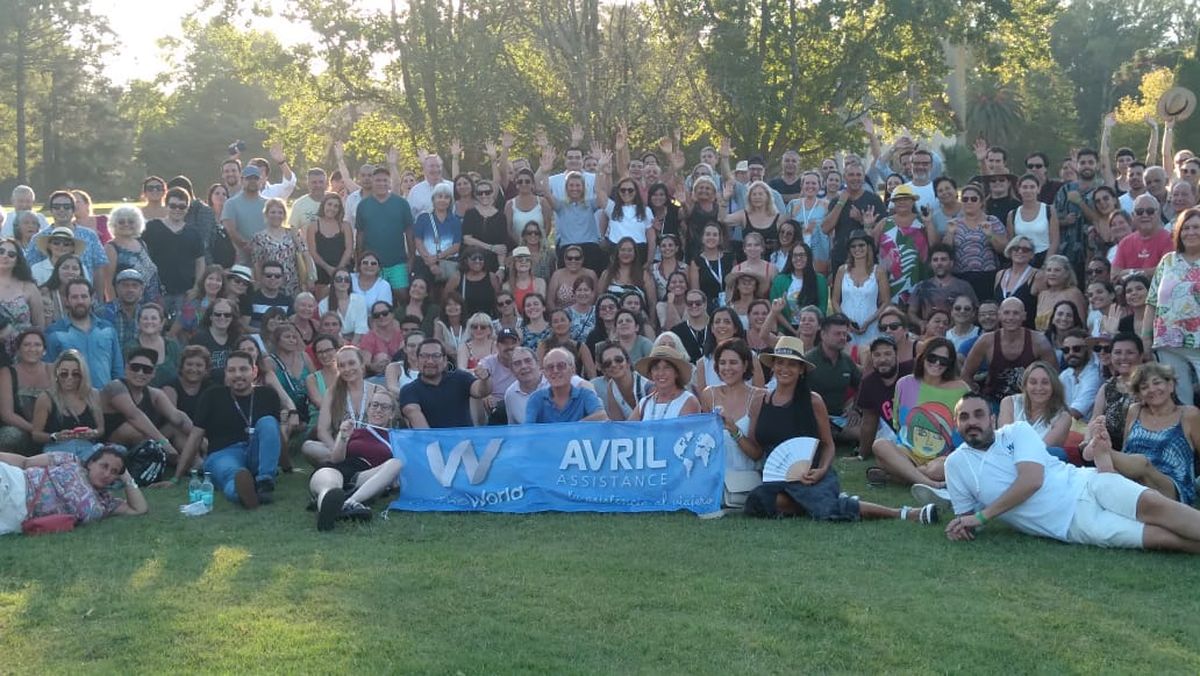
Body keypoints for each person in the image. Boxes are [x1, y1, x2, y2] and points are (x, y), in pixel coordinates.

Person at [944, 393, 1200, 552]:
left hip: (1088, 484)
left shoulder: (1016, 431)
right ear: (957, 424)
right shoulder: (955, 465)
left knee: (1157, 508)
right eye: (964, 417)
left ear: (992, 418)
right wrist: (962, 527)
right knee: (1164, 539)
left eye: (978, 414)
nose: (972, 422)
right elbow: (967, 521)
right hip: (1072, 524)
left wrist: (983, 516)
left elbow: (1031, 480)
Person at [744, 336, 939, 524]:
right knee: (758, 502)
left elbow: (828, 445)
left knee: (827, 509)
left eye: (791, 364)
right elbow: (756, 450)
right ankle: (819, 502)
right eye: (780, 363)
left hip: (810, 474)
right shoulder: (760, 401)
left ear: (801, 369)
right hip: (776, 479)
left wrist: (821, 470)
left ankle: (902, 513)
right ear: (773, 366)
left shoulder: (813, 401)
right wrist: (733, 431)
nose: (784, 369)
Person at [176, 350, 281, 508]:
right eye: (232, 370)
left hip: (255, 452)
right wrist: (176, 476)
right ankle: (242, 493)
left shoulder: (268, 395)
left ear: (254, 371)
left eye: (243, 369)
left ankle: (265, 482)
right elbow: (195, 437)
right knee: (232, 473)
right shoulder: (212, 395)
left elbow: (274, 434)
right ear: (225, 373)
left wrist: (287, 466)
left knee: (268, 422)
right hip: (223, 453)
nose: (237, 375)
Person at [870, 337, 969, 488]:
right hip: (907, 452)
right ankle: (928, 482)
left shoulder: (961, 389)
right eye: (932, 357)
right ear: (923, 357)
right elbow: (898, 424)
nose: (937, 363)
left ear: (950, 364)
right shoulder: (904, 383)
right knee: (879, 445)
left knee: (938, 470)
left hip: (943, 456)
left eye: (944, 361)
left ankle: (900, 475)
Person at [309, 388, 403, 531]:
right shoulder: (354, 431)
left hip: (366, 475)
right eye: (374, 405)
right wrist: (343, 436)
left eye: (384, 407)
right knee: (330, 486)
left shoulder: (397, 439)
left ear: (391, 414)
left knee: (396, 464)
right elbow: (336, 459)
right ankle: (328, 510)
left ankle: (349, 503)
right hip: (338, 469)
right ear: (369, 408)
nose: (378, 410)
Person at [0, 446, 148, 535]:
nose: (107, 474)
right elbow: (26, 462)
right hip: (16, 483)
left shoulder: (105, 502)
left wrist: (126, 476)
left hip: (18, 515)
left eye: (114, 471)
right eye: (104, 466)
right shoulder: (71, 460)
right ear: (91, 463)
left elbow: (138, 509)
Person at [699, 338, 766, 508]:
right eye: (722, 363)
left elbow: (757, 453)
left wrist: (734, 430)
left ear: (745, 366)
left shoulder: (759, 397)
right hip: (713, 480)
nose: (727, 368)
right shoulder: (708, 395)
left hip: (746, 480)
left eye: (733, 362)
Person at [1143, 207, 1200, 406]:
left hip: (1199, 343)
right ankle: (1187, 437)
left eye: (1196, 227)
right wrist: (1146, 338)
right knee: (1180, 401)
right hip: (1168, 343)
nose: (1191, 232)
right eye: (1186, 228)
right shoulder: (1168, 261)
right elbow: (1151, 303)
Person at [962, 297, 1059, 406]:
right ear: (999, 315)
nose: (1011, 317)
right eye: (1006, 313)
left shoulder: (1039, 341)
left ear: (1024, 316)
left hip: (1030, 402)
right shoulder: (986, 341)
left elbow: (1054, 377)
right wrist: (975, 399)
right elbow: (966, 374)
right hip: (994, 401)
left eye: (1016, 313)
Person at [99, 347, 191, 461]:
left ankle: (198, 463)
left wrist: (202, 440)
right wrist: (164, 443)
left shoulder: (155, 394)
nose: (140, 373)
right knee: (132, 429)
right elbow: (133, 415)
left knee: (175, 425)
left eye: (147, 369)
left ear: (153, 373)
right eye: (135, 367)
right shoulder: (115, 387)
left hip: (146, 442)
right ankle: (176, 461)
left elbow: (177, 417)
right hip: (111, 445)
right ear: (126, 368)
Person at [302, 345, 387, 466]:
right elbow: (322, 430)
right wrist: (336, 449)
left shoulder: (378, 390)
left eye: (351, 363)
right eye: (342, 365)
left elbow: (386, 427)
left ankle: (341, 465)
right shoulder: (332, 393)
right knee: (308, 447)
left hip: (370, 446)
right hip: (342, 445)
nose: (347, 369)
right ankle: (344, 461)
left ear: (361, 364)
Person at [400, 338, 492, 428]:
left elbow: (481, 391)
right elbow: (421, 429)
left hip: (465, 441)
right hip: (431, 442)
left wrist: (485, 379)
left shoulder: (461, 378)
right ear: (417, 361)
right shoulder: (409, 391)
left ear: (444, 361)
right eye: (424, 356)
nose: (430, 361)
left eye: (436, 356)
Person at [142, 187, 205, 317]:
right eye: (173, 205)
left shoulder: (194, 233)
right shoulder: (152, 227)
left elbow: (200, 262)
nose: (177, 209)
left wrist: (197, 288)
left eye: (182, 207)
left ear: (187, 208)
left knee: (185, 331)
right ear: (166, 206)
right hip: (157, 291)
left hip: (185, 293)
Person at [45, 279, 123, 385]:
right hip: (69, 399)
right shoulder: (54, 332)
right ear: (66, 301)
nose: (80, 301)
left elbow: (117, 369)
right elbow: (49, 372)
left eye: (84, 296)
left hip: (104, 397)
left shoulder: (107, 328)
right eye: (74, 297)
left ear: (92, 299)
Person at [24, 191, 109, 287]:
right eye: (56, 207)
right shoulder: (38, 238)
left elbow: (99, 269)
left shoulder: (90, 236)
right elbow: (29, 270)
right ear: (51, 210)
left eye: (66, 206)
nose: (61, 210)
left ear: (73, 210)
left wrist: (99, 298)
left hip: (83, 296)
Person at [356, 167, 415, 304]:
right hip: (373, 264)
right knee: (375, 299)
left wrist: (411, 258)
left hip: (398, 262)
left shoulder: (401, 204)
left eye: (384, 180)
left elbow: (409, 232)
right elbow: (360, 235)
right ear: (372, 181)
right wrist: (358, 259)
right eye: (377, 180)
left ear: (389, 182)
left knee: (402, 295)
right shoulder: (363, 205)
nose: (381, 183)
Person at [30, 350, 104, 458]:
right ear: (56, 373)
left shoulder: (93, 394)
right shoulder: (46, 398)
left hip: (87, 449)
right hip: (57, 450)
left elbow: (101, 429)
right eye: (64, 374)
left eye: (75, 374)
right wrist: (55, 436)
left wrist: (92, 433)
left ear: (82, 375)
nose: (70, 378)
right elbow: (36, 434)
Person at [803, 314, 862, 442]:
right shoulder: (808, 360)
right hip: (812, 417)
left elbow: (863, 386)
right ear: (823, 335)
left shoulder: (847, 361)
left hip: (839, 418)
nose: (842, 338)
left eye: (844, 334)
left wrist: (856, 409)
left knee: (864, 433)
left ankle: (832, 436)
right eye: (837, 334)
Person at [854, 335, 911, 461]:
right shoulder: (868, 383)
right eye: (877, 355)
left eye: (887, 354)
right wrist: (862, 455)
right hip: (901, 441)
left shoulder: (912, 370)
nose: (882, 359)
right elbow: (869, 422)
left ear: (896, 355)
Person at [821, 163, 886, 272]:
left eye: (858, 175)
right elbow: (825, 229)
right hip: (841, 258)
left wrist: (862, 220)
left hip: (866, 259)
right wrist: (841, 203)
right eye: (851, 175)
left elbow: (884, 230)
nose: (855, 178)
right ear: (845, 177)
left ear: (863, 177)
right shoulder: (837, 201)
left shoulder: (874, 199)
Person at [830, 229, 889, 347]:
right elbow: (835, 300)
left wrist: (869, 321)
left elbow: (886, 301)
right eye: (853, 246)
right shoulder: (842, 270)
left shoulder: (879, 271)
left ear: (868, 247)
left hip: (871, 326)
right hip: (845, 328)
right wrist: (845, 321)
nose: (857, 249)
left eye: (861, 245)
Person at [998, 361, 1073, 452]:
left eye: (1045, 383)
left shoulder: (1063, 417)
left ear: (1054, 386)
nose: (1039, 388)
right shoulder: (1009, 403)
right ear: (1025, 386)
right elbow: (1006, 440)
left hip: (1041, 463)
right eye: (1033, 382)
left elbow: (1041, 450)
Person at [0, 330, 52, 454]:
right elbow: (7, 414)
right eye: (27, 344)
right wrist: (35, 429)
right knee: (10, 436)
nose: (32, 348)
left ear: (44, 350)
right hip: (20, 430)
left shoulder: (53, 369)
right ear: (18, 350)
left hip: (50, 429)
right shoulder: (6, 372)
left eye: (37, 345)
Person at [523, 348, 606, 424]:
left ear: (573, 369)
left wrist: (575, 427)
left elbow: (602, 416)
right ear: (545, 373)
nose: (555, 371)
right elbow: (528, 429)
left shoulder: (585, 395)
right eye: (550, 367)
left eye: (561, 366)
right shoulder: (536, 398)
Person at [909, 243, 976, 332]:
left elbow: (975, 313)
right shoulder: (921, 286)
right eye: (935, 260)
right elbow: (911, 312)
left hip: (957, 334)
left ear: (951, 263)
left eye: (943, 259)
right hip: (929, 334)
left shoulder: (964, 286)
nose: (939, 263)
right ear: (931, 264)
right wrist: (920, 323)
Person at [628, 345, 702, 420]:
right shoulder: (644, 403)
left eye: (667, 368)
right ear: (651, 374)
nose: (661, 373)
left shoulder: (688, 401)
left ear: (676, 373)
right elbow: (626, 429)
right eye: (656, 368)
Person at [0, 236, 44, 356]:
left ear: (17, 260)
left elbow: (39, 327)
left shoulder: (29, 287)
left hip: (23, 354)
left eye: (11, 254)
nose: (5, 256)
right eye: (1, 251)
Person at [1112, 195, 1173, 279]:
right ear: (1133, 215)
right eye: (1139, 211)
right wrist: (1148, 272)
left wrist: (1130, 272)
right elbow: (1114, 275)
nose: (1144, 215)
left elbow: (1167, 271)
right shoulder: (1125, 243)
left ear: (1158, 213)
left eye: (1150, 211)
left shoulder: (1170, 239)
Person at [306, 192, 354, 299]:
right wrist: (328, 268)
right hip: (321, 270)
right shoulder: (313, 226)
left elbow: (349, 249)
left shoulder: (345, 226)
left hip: (342, 268)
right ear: (323, 205)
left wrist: (338, 270)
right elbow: (312, 252)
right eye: (330, 204)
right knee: (322, 301)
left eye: (336, 206)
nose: (332, 208)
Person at [221, 166, 269, 264]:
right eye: (249, 178)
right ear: (242, 180)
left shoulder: (268, 204)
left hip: (266, 255)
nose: (252, 181)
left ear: (261, 181)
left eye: (255, 178)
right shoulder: (231, 203)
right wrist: (246, 246)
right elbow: (230, 230)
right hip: (240, 256)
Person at [127, 303, 181, 387]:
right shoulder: (130, 347)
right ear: (138, 323)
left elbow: (180, 374)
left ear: (161, 323)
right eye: (145, 318)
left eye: (154, 318)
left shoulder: (172, 346)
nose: (149, 321)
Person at [1058, 329, 1102, 422]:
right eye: (1066, 350)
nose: (1071, 353)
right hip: (1067, 425)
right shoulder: (1065, 374)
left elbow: (1077, 412)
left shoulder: (1095, 374)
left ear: (1088, 350)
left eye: (1076, 349)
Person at [188, 297, 241, 372]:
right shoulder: (198, 339)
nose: (222, 317)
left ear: (232, 318)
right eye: (217, 314)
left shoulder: (237, 338)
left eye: (227, 315)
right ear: (211, 316)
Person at [162, 345, 211, 424]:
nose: (194, 369)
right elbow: (173, 421)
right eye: (189, 364)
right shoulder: (170, 388)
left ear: (206, 369)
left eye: (199, 365)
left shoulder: (211, 388)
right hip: (173, 432)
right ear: (181, 367)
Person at [318, 270, 368, 343]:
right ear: (333, 282)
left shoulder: (360, 300)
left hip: (359, 341)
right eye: (339, 279)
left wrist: (352, 346)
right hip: (334, 341)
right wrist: (342, 343)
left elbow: (361, 327)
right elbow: (328, 329)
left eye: (347, 280)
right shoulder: (323, 304)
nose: (343, 282)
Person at [247, 260, 295, 330]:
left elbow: (291, 326)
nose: (273, 278)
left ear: (282, 279)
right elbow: (244, 327)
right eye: (268, 275)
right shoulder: (250, 299)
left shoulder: (288, 301)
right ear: (261, 277)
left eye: (277, 276)